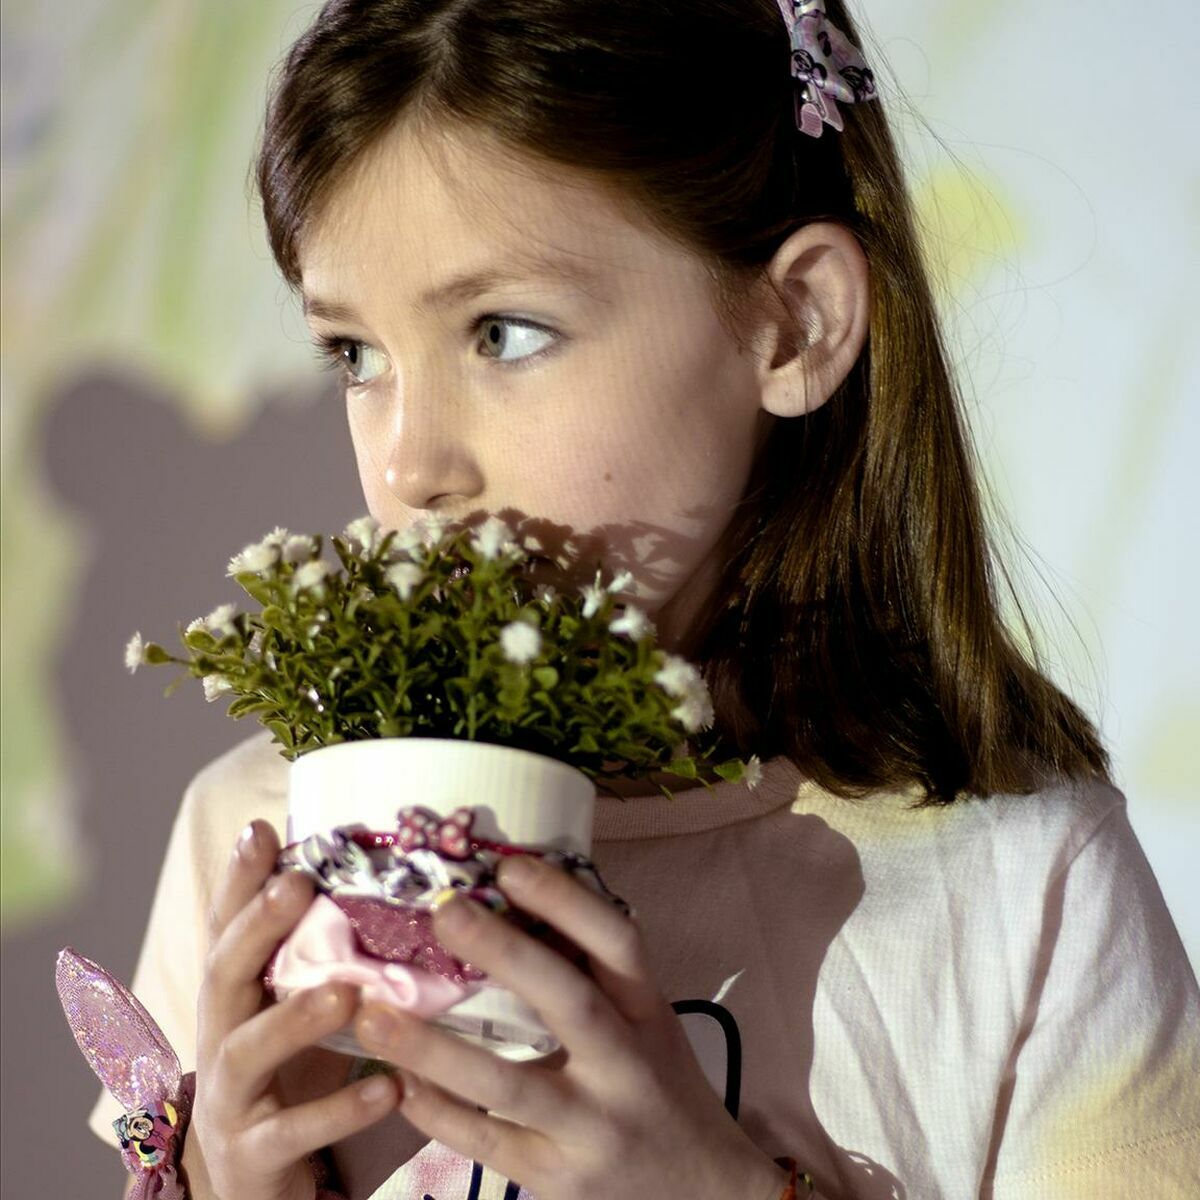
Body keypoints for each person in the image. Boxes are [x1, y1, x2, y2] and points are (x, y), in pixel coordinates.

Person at [86, 1, 1200, 1197]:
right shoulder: (261, 831)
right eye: (356, 355)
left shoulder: (1023, 881)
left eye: (503, 334)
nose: (411, 466)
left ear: (795, 324)